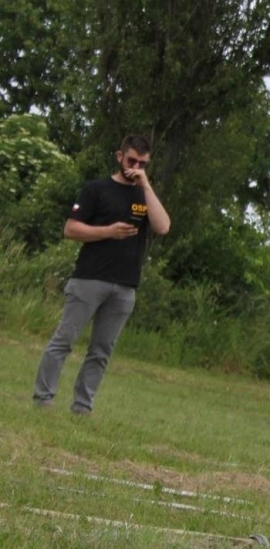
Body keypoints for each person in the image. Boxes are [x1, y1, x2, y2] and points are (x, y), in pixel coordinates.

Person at [33, 134, 171, 414]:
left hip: (124, 286)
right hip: (89, 279)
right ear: (119, 157)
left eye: (142, 163)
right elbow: (71, 229)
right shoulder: (96, 189)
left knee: (101, 351)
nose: (135, 167)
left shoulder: (144, 194)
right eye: (131, 160)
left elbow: (163, 226)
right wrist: (108, 232)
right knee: (64, 340)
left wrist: (146, 185)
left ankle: (82, 407)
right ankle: (43, 399)